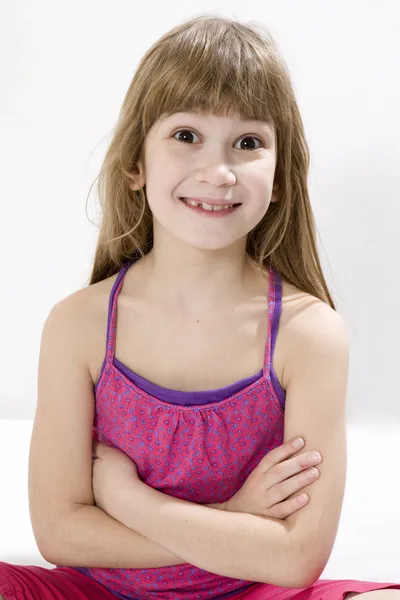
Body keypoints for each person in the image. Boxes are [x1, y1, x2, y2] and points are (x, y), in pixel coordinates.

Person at [0, 13, 399, 600]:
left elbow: (294, 560)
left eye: (248, 143)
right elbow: (59, 534)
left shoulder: (307, 333)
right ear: (136, 163)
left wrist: (127, 498)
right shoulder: (79, 325)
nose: (218, 172)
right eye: (186, 136)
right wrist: (235, 515)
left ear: (281, 177)